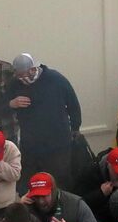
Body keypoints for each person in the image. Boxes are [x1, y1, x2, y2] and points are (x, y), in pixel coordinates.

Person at [9, 53, 83, 183]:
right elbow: (2, 103)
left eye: (22, 74)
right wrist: (11, 103)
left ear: (33, 70)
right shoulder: (15, 84)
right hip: (30, 145)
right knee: (31, 182)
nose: (20, 78)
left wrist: (75, 127)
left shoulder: (55, 79)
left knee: (59, 181)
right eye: (17, 75)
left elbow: (73, 103)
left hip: (58, 145)